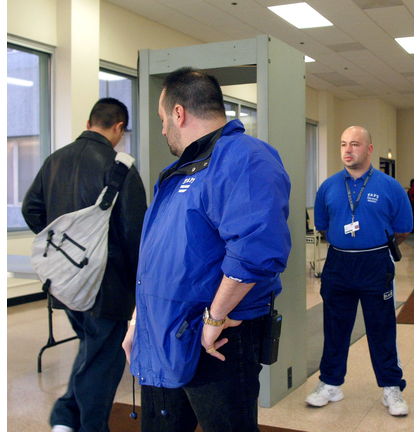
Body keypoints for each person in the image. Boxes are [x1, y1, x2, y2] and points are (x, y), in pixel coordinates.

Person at [121, 67, 291, 432]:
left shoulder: (245, 157)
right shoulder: (178, 171)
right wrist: (139, 320)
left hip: (217, 337)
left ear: (179, 113)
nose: (163, 128)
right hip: (164, 335)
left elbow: (256, 252)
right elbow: (157, 257)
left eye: (163, 119)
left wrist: (214, 318)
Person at [22, 98, 147, 432]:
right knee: (102, 363)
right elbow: (135, 232)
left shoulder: (54, 160)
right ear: (119, 127)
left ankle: (64, 419)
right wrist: (141, 288)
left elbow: (31, 209)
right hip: (107, 288)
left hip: (65, 283)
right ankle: (88, 426)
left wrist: (62, 247)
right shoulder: (119, 167)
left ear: (91, 122)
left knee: (91, 349)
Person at [308, 126, 413, 416]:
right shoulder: (328, 186)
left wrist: (372, 242)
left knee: (381, 328)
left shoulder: (389, 186)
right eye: (343, 144)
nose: (347, 150)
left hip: (375, 264)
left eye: (354, 144)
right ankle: (330, 384)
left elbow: (403, 228)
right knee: (335, 327)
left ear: (369, 149)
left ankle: (391, 387)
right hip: (339, 263)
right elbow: (323, 226)